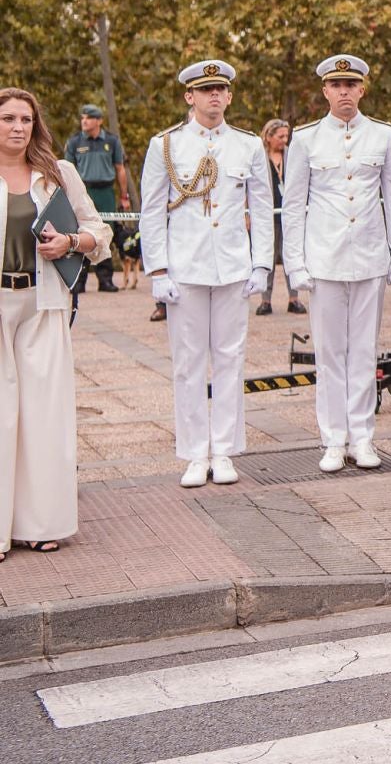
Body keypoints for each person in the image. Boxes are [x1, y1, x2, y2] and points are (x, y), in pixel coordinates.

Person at [139, 60, 273, 488]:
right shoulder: (166, 145)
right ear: (189, 97)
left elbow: (264, 212)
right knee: (188, 364)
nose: (214, 96)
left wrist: (262, 264)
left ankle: (225, 449)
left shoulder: (248, 145)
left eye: (220, 90)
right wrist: (157, 269)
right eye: (205, 90)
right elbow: (151, 212)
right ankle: (195, 452)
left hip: (232, 267)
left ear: (230, 96)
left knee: (231, 361)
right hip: (186, 268)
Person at [281, 56, 391, 473]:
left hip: (369, 257)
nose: (344, 92)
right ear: (324, 91)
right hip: (324, 259)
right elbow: (294, 205)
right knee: (330, 353)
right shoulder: (305, 139)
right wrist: (295, 265)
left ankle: (363, 437)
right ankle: (333, 439)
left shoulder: (382, 135)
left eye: (351, 84)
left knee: (364, 352)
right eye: (336, 84)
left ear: (362, 89)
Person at [0, 88, 110, 557]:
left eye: (25, 118)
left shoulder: (58, 173)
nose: (17, 127)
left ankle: (42, 523)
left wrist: (70, 241)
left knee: (44, 416)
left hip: (44, 302)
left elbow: (99, 231)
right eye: (7, 118)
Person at [61, 105, 128, 294]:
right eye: (82, 118)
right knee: (80, 231)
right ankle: (79, 280)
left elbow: (120, 169)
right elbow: (67, 170)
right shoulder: (74, 142)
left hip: (105, 191)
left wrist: (124, 196)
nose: (84, 121)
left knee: (105, 232)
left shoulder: (112, 141)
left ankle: (105, 279)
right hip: (82, 190)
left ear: (99, 121)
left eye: (89, 118)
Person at [256, 119, 303, 316]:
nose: (284, 140)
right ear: (268, 136)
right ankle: (265, 301)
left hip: (289, 215)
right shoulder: (260, 157)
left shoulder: (291, 156)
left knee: (290, 256)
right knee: (268, 257)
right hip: (267, 215)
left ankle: (294, 299)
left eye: (286, 136)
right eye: (280, 136)